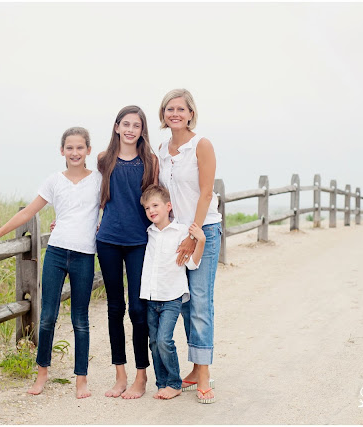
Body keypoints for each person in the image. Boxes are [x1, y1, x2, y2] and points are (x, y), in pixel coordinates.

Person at [0, 127, 101, 399]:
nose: (75, 152)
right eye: (70, 148)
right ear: (62, 151)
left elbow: (109, 209)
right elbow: (29, 212)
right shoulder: (54, 181)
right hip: (56, 252)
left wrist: (101, 225)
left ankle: (81, 380)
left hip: (84, 255)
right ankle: (42, 374)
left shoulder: (99, 180)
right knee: (47, 317)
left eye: (80, 147)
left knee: (80, 319)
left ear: (88, 150)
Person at [157, 89, 222, 404]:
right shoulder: (162, 149)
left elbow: (206, 193)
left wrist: (193, 233)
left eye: (181, 109)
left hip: (202, 230)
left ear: (191, 113)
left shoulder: (202, 145)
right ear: (164, 114)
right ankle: (195, 368)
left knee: (199, 301)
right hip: (175, 233)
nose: (175, 113)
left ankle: (204, 374)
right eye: (170, 109)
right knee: (182, 301)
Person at [96, 105, 159, 399]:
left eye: (137, 125)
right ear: (117, 127)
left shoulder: (150, 161)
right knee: (114, 308)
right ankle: (120, 375)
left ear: (141, 130)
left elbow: (156, 201)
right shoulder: (103, 160)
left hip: (139, 241)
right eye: (126, 124)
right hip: (108, 239)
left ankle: (141, 376)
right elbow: (92, 195)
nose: (131, 130)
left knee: (137, 308)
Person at [138, 185, 206, 400]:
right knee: (154, 342)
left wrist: (200, 240)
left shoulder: (181, 232)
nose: (151, 210)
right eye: (147, 207)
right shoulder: (148, 232)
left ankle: (175, 383)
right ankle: (162, 383)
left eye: (155, 205)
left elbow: (193, 264)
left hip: (172, 297)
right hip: (150, 296)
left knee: (164, 340)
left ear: (168, 206)